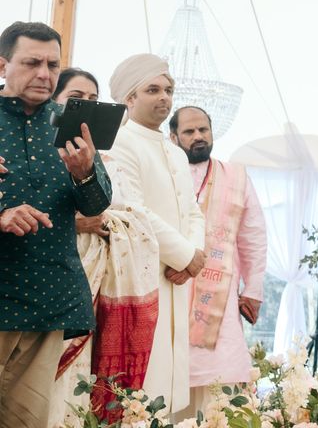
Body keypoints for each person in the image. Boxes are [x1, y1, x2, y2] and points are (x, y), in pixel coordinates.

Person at [0, 22, 111, 428]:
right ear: (3, 66)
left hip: (48, 298)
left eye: (52, 64)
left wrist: (85, 173)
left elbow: (99, 205)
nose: (44, 74)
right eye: (32, 63)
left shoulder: (72, 124)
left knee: (26, 422)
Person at [45, 70, 159, 427]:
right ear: (55, 101)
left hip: (96, 281)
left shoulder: (105, 161)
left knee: (80, 379)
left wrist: (109, 223)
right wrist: (74, 222)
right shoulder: (38, 153)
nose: (88, 107)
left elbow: (125, 213)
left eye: (94, 100)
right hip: (48, 274)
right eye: (77, 97)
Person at [105, 55, 205, 414]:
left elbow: (193, 211)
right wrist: (184, 256)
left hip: (177, 277)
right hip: (144, 276)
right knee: (143, 385)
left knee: (173, 383)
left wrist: (194, 257)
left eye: (168, 90)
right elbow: (132, 209)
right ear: (129, 98)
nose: (164, 97)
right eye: (152, 89)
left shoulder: (175, 152)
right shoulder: (117, 143)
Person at [168, 106, 267, 418]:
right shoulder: (165, 173)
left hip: (219, 304)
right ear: (173, 138)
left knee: (221, 387)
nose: (198, 136)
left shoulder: (235, 176)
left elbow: (253, 234)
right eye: (189, 131)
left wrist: (253, 288)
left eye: (203, 130)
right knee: (171, 381)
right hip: (171, 290)